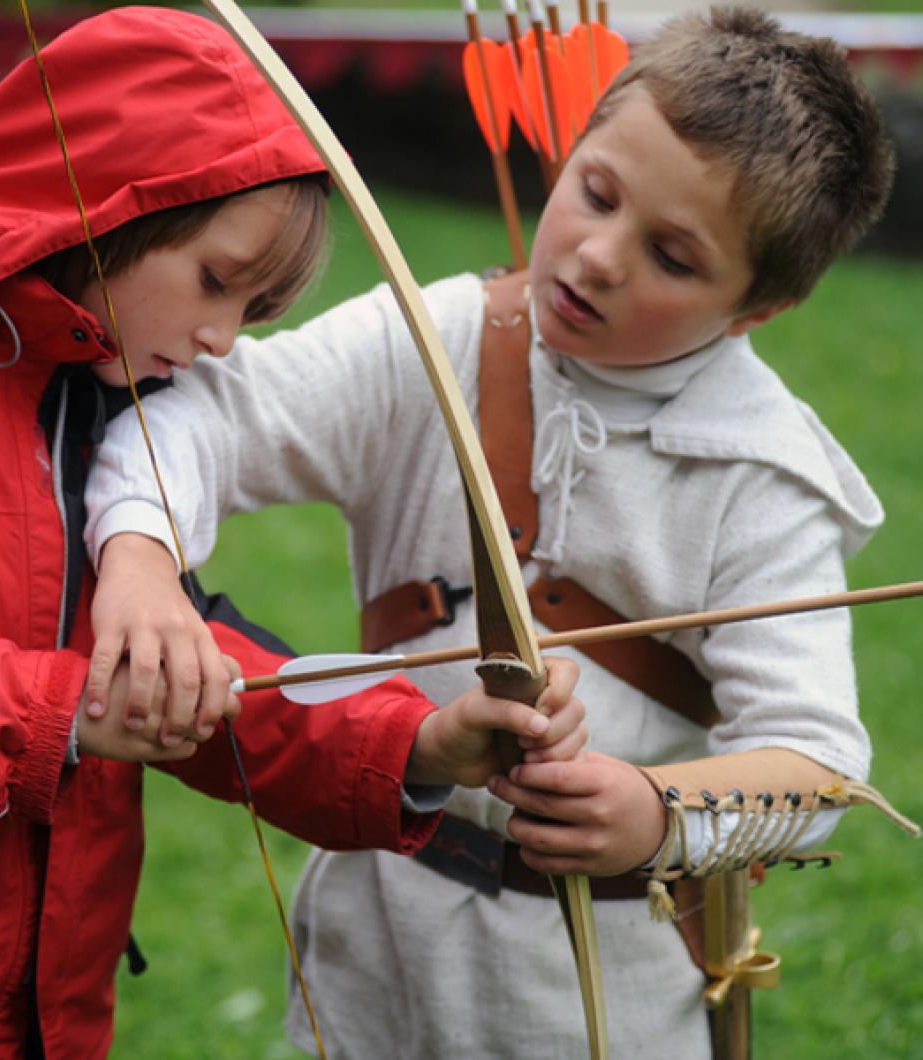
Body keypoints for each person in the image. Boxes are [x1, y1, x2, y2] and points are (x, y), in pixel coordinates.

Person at [83, 8, 911, 1057]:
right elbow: (208, 418)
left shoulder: (762, 477)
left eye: (671, 256)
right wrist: (143, 559)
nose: (600, 255)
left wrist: (658, 811)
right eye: (596, 192)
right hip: (373, 952)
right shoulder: (439, 342)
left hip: (591, 993)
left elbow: (817, 766)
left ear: (760, 307)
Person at [0, 7, 590, 1058]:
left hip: (33, 1016)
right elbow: (89, 694)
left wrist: (411, 744)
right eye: (214, 281)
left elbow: (184, 669)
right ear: (99, 200)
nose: (214, 342)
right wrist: (56, 712)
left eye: (253, 313)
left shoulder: (90, 393)